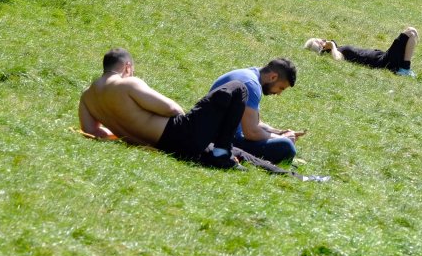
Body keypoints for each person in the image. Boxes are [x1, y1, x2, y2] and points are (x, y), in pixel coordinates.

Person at [78, 48, 245, 168]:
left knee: (240, 153)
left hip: (165, 147)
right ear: (127, 67)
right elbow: (172, 109)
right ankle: (222, 152)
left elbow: (92, 131)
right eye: (132, 70)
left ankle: (238, 158)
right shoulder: (127, 83)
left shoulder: (87, 97)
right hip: (179, 134)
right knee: (238, 87)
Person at [209, 58, 304, 164]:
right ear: (273, 77)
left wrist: (279, 132)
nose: (279, 93)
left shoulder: (250, 76)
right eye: (281, 88)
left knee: (283, 141)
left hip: (216, 131)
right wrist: (283, 138)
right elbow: (251, 133)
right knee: (286, 146)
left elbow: (255, 122)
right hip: (221, 138)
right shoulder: (251, 85)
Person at [304, 27, 419, 78]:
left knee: (413, 31)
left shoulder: (338, 49)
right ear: (321, 47)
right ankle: (404, 69)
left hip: (383, 57)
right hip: (382, 62)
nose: (324, 40)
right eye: (321, 41)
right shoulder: (335, 52)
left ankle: (404, 68)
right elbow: (338, 60)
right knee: (410, 32)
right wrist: (332, 45)